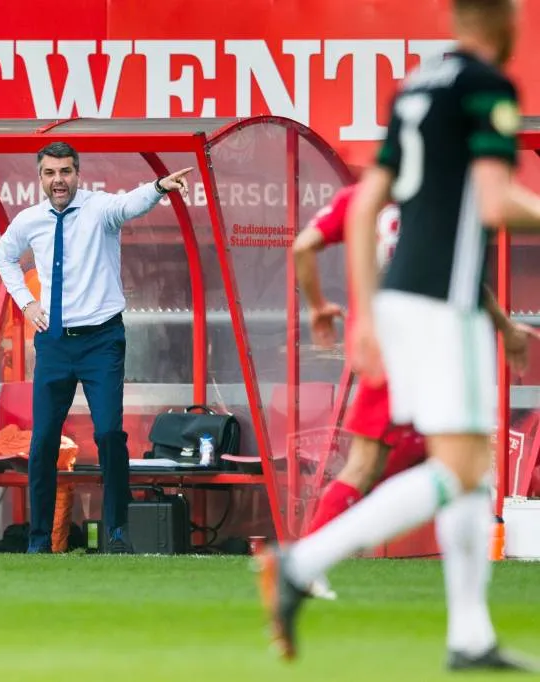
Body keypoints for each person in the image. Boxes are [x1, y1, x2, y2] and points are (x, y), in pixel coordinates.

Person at [259, 0, 540, 669]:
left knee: (471, 475)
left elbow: (364, 214)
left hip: (409, 303)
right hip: (447, 303)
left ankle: (469, 636)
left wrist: (368, 315)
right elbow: (497, 202)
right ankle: (303, 562)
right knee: (463, 470)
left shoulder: (417, 87)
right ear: (504, 22)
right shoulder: (486, 87)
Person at [292, 182, 531, 599]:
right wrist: (506, 329)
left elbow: (303, 247)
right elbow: (464, 279)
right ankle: (304, 562)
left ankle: (308, 560)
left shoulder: (358, 198)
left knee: (436, 469)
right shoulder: (435, 201)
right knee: (400, 468)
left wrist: (317, 306)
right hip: (418, 350)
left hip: (382, 349)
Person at [0, 141, 191, 554]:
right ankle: (38, 540)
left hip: (101, 340)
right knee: (44, 439)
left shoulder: (99, 209)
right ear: (41, 177)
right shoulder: (30, 219)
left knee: (108, 435)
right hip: (54, 343)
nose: (58, 180)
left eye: (65, 171)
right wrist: (27, 303)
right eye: (50, 173)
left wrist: (157, 187)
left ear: (77, 174)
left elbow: (128, 205)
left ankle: (117, 533)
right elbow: (4, 255)